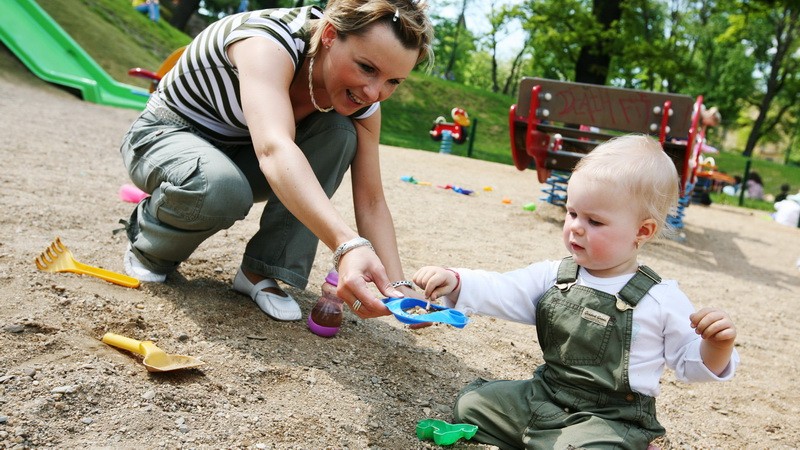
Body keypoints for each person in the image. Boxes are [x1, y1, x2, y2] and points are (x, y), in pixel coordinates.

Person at [413, 135, 739, 449]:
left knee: (586, 445)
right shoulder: (556, 275)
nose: (576, 227)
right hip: (547, 395)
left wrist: (717, 345)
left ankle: (623, 444)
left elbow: (690, 363)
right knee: (472, 404)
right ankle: (546, 437)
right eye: (572, 213)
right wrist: (456, 281)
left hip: (611, 419)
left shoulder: (660, 298)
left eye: (594, 221)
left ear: (641, 231)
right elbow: (505, 289)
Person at [119, 0, 433, 321]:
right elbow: (273, 149)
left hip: (242, 154)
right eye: (367, 68)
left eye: (393, 81)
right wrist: (347, 245)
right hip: (165, 135)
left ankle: (260, 271)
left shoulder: (363, 100)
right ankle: (150, 247)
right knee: (219, 188)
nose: (373, 92)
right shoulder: (267, 42)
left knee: (340, 131)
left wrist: (398, 286)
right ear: (328, 34)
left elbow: (371, 201)